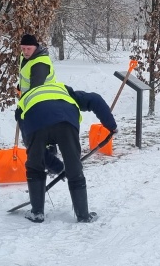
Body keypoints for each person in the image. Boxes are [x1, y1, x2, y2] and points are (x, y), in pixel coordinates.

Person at [18, 81, 112, 223]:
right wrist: (111, 126)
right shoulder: (64, 90)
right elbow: (95, 99)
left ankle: (37, 213)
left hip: (36, 120)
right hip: (66, 120)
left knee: (34, 164)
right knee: (74, 166)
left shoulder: (24, 102)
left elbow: (33, 149)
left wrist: (56, 166)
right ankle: (83, 215)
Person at [16, 33, 64, 174]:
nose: (25, 52)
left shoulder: (40, 64)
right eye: (23, 48)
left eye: (28, 49)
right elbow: (25, 77)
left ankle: (50, 156)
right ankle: (44, 153)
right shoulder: (26, 57)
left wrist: (23, 105)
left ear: (35, 47)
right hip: (33, 97)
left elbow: (35, 89)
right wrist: (20, 88)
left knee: (41, 125)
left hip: (44, 98)